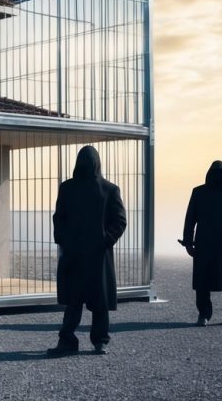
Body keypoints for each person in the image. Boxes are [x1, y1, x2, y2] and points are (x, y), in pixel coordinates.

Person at [47, 146, 128, 356]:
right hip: (83, 254)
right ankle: (78, 341)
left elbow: (119, 220)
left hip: (93, 255)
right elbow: (59, 219)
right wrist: (66, 240)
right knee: (78, 301)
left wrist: (104, 240)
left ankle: (91, 341)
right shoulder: (70, 188)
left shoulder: (108, 189)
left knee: (92, 301)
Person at [178, 160, 222, 327]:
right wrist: (188, 242)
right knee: (203, 282)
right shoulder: (199, 193)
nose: (218, 177)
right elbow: (191, 219)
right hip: (205, 245)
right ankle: (204, 314)